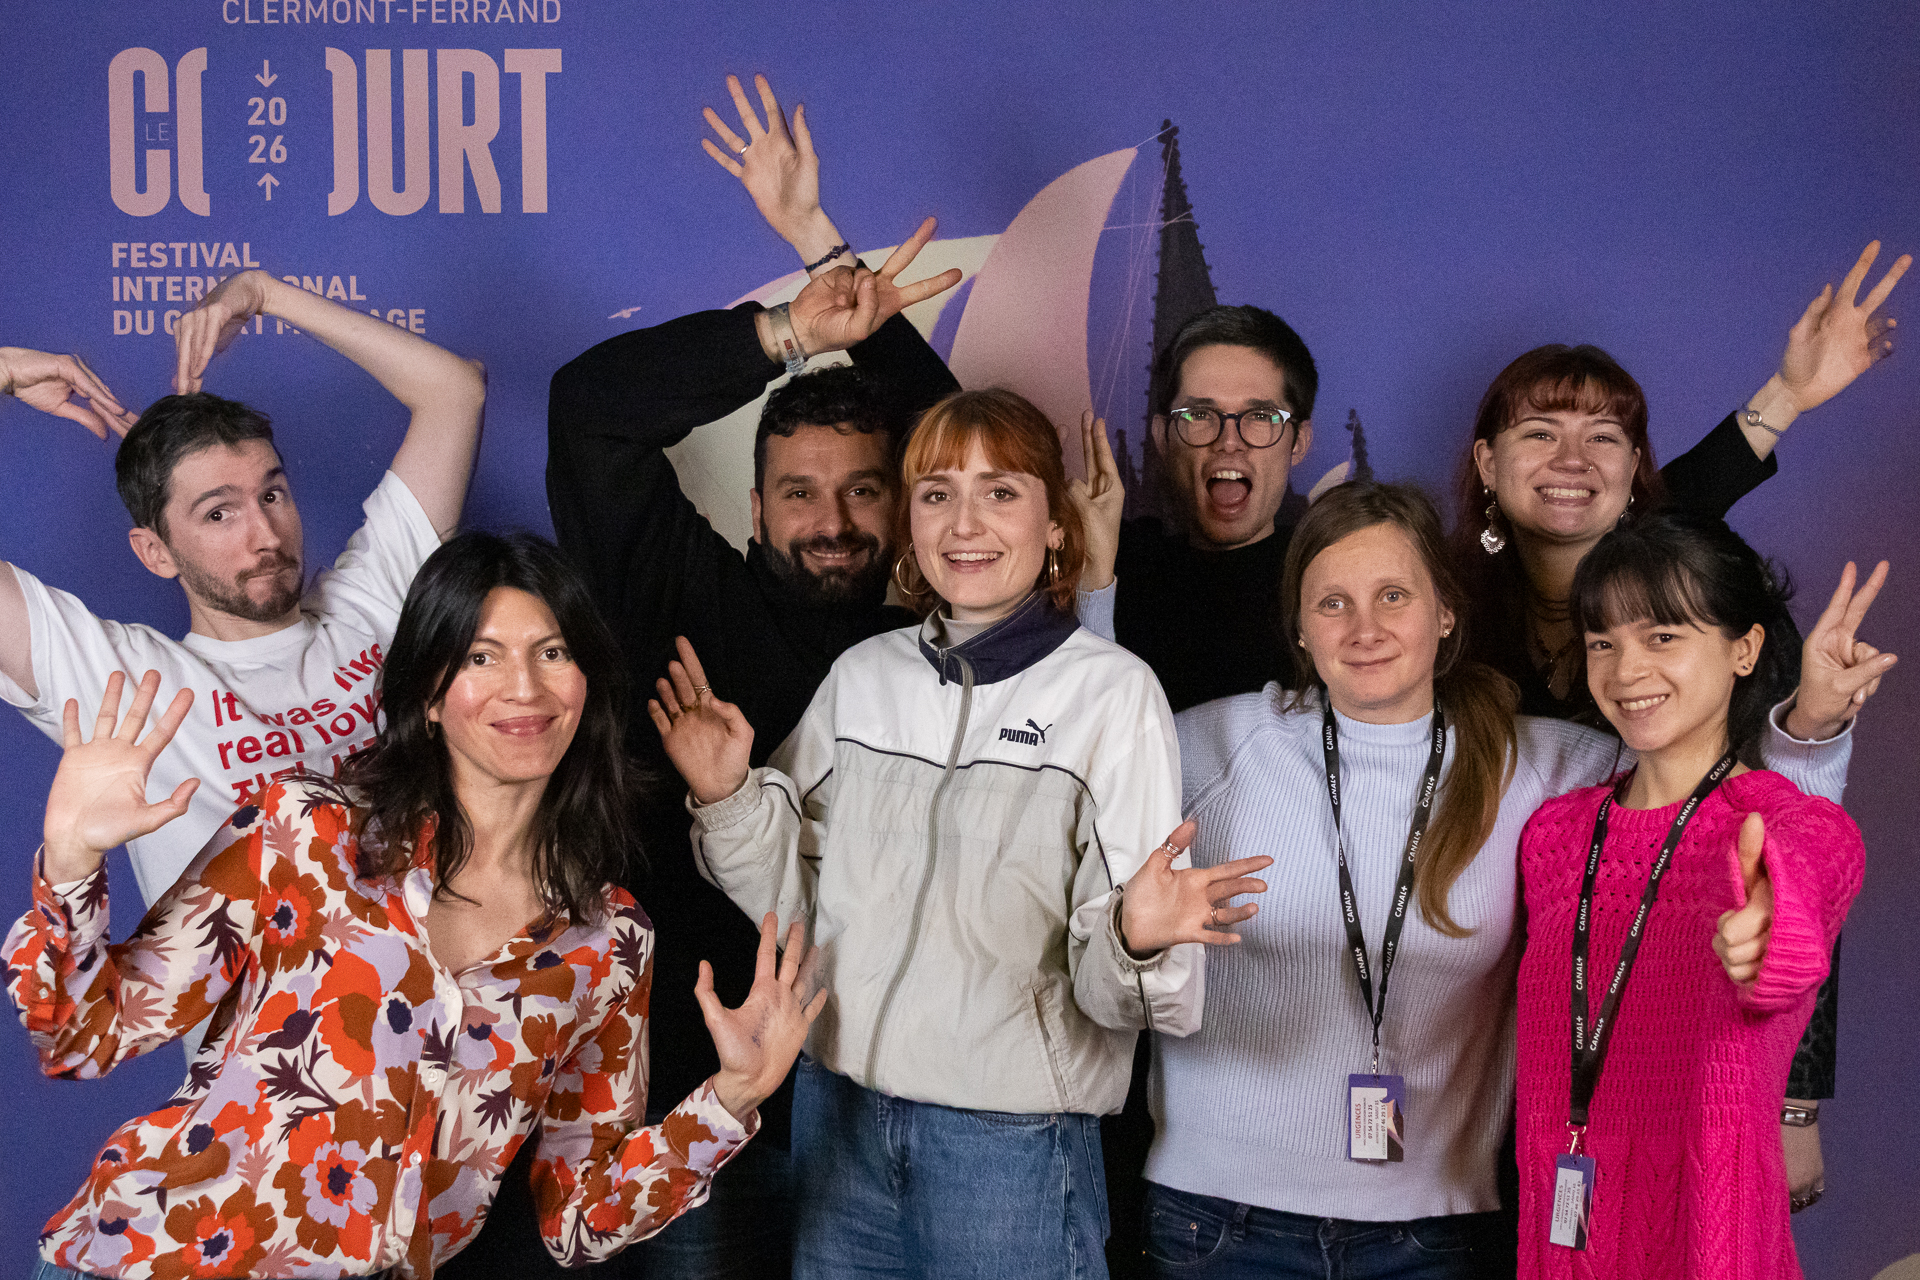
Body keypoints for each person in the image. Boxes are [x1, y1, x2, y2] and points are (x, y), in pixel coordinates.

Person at [4, 531, 825, 1280]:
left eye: (552, 652)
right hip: (157, 1259)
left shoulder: (608, 942)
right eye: (480, 657)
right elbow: (83, 1034)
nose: (524, 687)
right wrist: (73, 860)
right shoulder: (308, 831)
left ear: (586, 686)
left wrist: (733, 1096)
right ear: (429, 694)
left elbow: (578, 1216)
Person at [1142, 483, 1870, 1280]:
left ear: (1446, 612)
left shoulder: (1544, 767)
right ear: (1299, 628)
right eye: (1332, 603)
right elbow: (1090, 772)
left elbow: (1778, 832)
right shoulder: (1561, 826)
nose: (1365, 628)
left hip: (1490, 1227)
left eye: (1394, 595)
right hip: (1240, 1220)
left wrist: (1807, 742)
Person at [498, 73, 963, 1280]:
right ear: (753, 506)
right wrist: (792, 328)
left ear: (906, 505)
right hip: (700, 1090)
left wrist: (825, 247)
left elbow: (981, 462)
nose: (832, 520)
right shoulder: (678, 594)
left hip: (904, 1098)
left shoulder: (956, 638)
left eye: (864, 490)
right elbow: (588, 412)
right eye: (799, 493)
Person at [652, 388, 1271, 1280]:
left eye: (1001, 492)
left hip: (1009, 1144)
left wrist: (1136, 939)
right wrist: (727, 796)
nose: (965, 523)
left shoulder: (1112, 695)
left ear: (1055, 524)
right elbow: (797, 909)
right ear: (911, 522)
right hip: (838, 1119)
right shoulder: (862, 678)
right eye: (937, 493)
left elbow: (1134, 997)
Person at [1450, 240, 1907, 1207]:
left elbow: (1787, 844)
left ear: (1635, 471)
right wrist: (1783, 397)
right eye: (1539, 432)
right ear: (1487, 461)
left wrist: (1793, 1101)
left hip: (1670, 1022)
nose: (1572, 460)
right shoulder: (1442, 615)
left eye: (1604, 437)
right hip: (1481, 1040)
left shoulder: (1703, 613)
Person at [0, 269, 485, 914]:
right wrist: (3, 370)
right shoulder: (121, 680)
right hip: (241, 980)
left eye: (271, 495)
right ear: (155, 552)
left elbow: (455, 391)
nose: (264, 533)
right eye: (219, 513)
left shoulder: (373, 603)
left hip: (431, 972)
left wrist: (262, 293)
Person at [1513, 513, 1877, 1278]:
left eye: (1662, 636)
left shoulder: (1792, 826)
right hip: (1558, 1240)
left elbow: (1799, 909)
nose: (1626, 670)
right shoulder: (1554, 835)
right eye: (1603, 642)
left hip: (1713, 1248)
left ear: (1744, 649)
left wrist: (1770, 939)